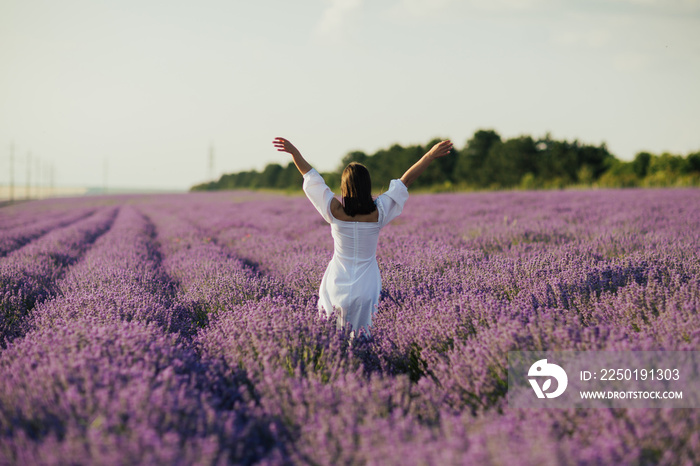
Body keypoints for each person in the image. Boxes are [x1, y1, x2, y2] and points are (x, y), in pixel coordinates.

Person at [273, 137, 453, 336]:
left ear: (344, 187)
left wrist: (294, 153)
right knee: (364, 337)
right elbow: (406, 181)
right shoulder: (379, 213)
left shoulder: (334, 212)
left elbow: (312, 178)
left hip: (336, 283)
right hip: (367, 285)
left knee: (333, 337)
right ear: (367, 185)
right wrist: (429, 155)